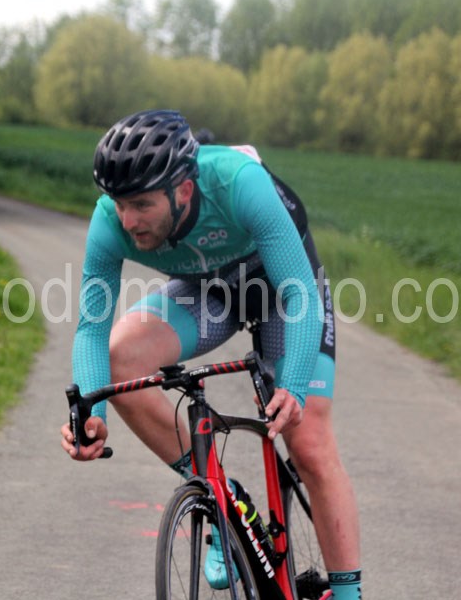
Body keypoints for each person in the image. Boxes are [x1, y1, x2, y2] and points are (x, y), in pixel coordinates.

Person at [60, 109, 362, 600]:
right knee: (119, 359)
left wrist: (293, 385)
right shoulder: (109, 221)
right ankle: (222, 496)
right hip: (210, 293)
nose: (127, 220)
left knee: (308, 444)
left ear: (183, 189)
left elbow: (300, 296)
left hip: (282, 292)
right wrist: (90, 414)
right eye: (119, 203)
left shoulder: (239, 183)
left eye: (141, 204)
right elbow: (92, 329)